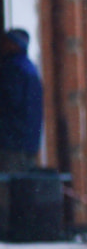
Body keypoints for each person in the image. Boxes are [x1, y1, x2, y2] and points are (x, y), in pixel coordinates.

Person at [0, 29, 43, 172]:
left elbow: (10, 102)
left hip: (12, 144)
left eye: (6, 41)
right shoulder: (29, 68)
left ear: (14, 44)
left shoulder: (12, 69)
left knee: (10, 187)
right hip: (28, 144)